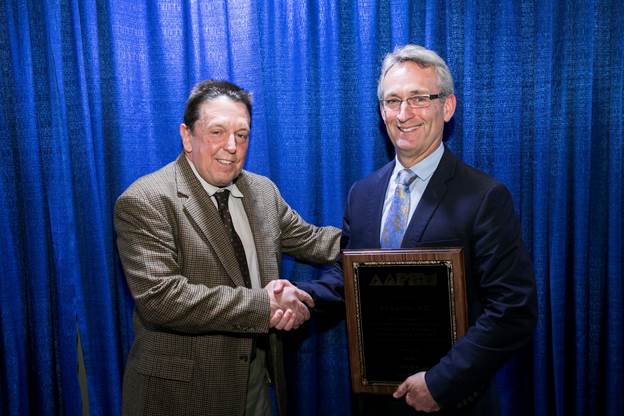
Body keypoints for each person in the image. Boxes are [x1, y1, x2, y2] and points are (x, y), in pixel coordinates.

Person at [296, 44, 538, 415]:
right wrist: (300, 299)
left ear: (448, 106)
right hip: (373, 400)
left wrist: (441, 383)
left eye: (419, 98)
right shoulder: (362, 194)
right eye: (393, 101)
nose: (404, 114)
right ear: (381, 111)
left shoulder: (484, 196)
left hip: (451, 402)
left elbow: (513, 309)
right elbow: (350, 279)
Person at [114, 80, 340, 416]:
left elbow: (316, 241)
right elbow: (163, 300)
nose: (232, 146)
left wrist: (390, 240)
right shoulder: (145, 200)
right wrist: (265, 305)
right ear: (187, 136)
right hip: (180, 396)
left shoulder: (262, 192)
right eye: (217, 132)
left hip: (255, 386)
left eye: (242, 134)